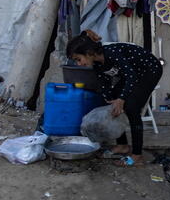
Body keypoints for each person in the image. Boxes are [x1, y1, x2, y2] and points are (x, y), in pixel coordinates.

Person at [66, 30, 162, 167]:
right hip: (132, 73)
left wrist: (122, 99)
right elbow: (104, 84)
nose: (78, 64)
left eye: (78, 59)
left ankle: (137, 156)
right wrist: (111, 100)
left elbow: (132, 77)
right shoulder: (98, 64)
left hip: (149, 69)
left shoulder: (111, 54)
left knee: (132, 107)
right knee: (115, 105)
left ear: (88, 53)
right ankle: (122, 145)